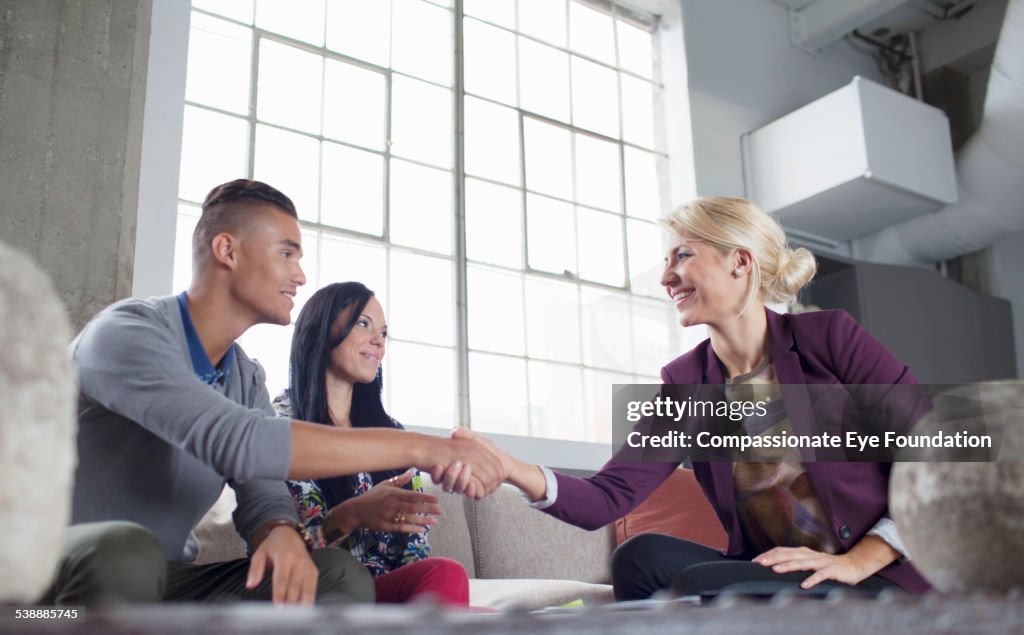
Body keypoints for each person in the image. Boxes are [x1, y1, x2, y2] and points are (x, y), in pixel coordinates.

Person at [48, 179, 501, 607]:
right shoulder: (125, 334)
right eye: (287, 254)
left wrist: (277, 527)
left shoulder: (245, 377)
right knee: (126, 554)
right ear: (227, 250)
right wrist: (426, 447)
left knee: (337, 574)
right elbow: (240, 442)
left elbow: (262, 491)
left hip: (167, 584)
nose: (300, 276)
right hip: (45, 587)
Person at [458, 196, 931, 600]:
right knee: (640, 558)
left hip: (873, 578)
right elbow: (608, 496)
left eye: (682, 255)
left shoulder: (828, 337)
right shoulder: (688, 382)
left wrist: (860, 560)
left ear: (739, 262)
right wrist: (510, 469)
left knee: (701, 585)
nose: (666, 277)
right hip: (783, 577)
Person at [273, 282, 469, 605]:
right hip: (323, 588)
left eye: (384, 333)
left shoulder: (393, 434)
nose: (378, 341)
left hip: (385, 596)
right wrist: (352, 515)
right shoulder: (279, 424)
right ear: (321, 328)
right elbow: (286, 553)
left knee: (447, 577)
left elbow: (416, 550)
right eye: (364, 324)